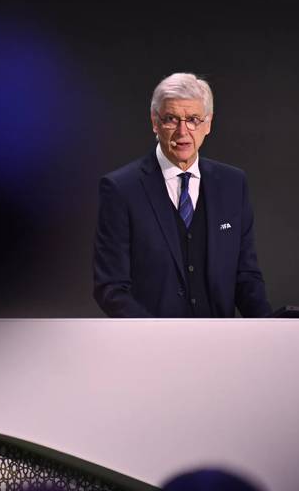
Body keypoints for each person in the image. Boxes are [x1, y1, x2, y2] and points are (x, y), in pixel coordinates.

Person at [93, 72, 272, 318]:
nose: (182, 131)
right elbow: (110, 287)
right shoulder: (121, 188)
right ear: (154, 122)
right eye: (171, 119)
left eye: (193, 119)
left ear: (208, 124)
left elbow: (246, 276)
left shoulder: (233, 184)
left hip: (221, 346)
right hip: (151, 347)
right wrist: (158, 338)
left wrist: (271, 330)